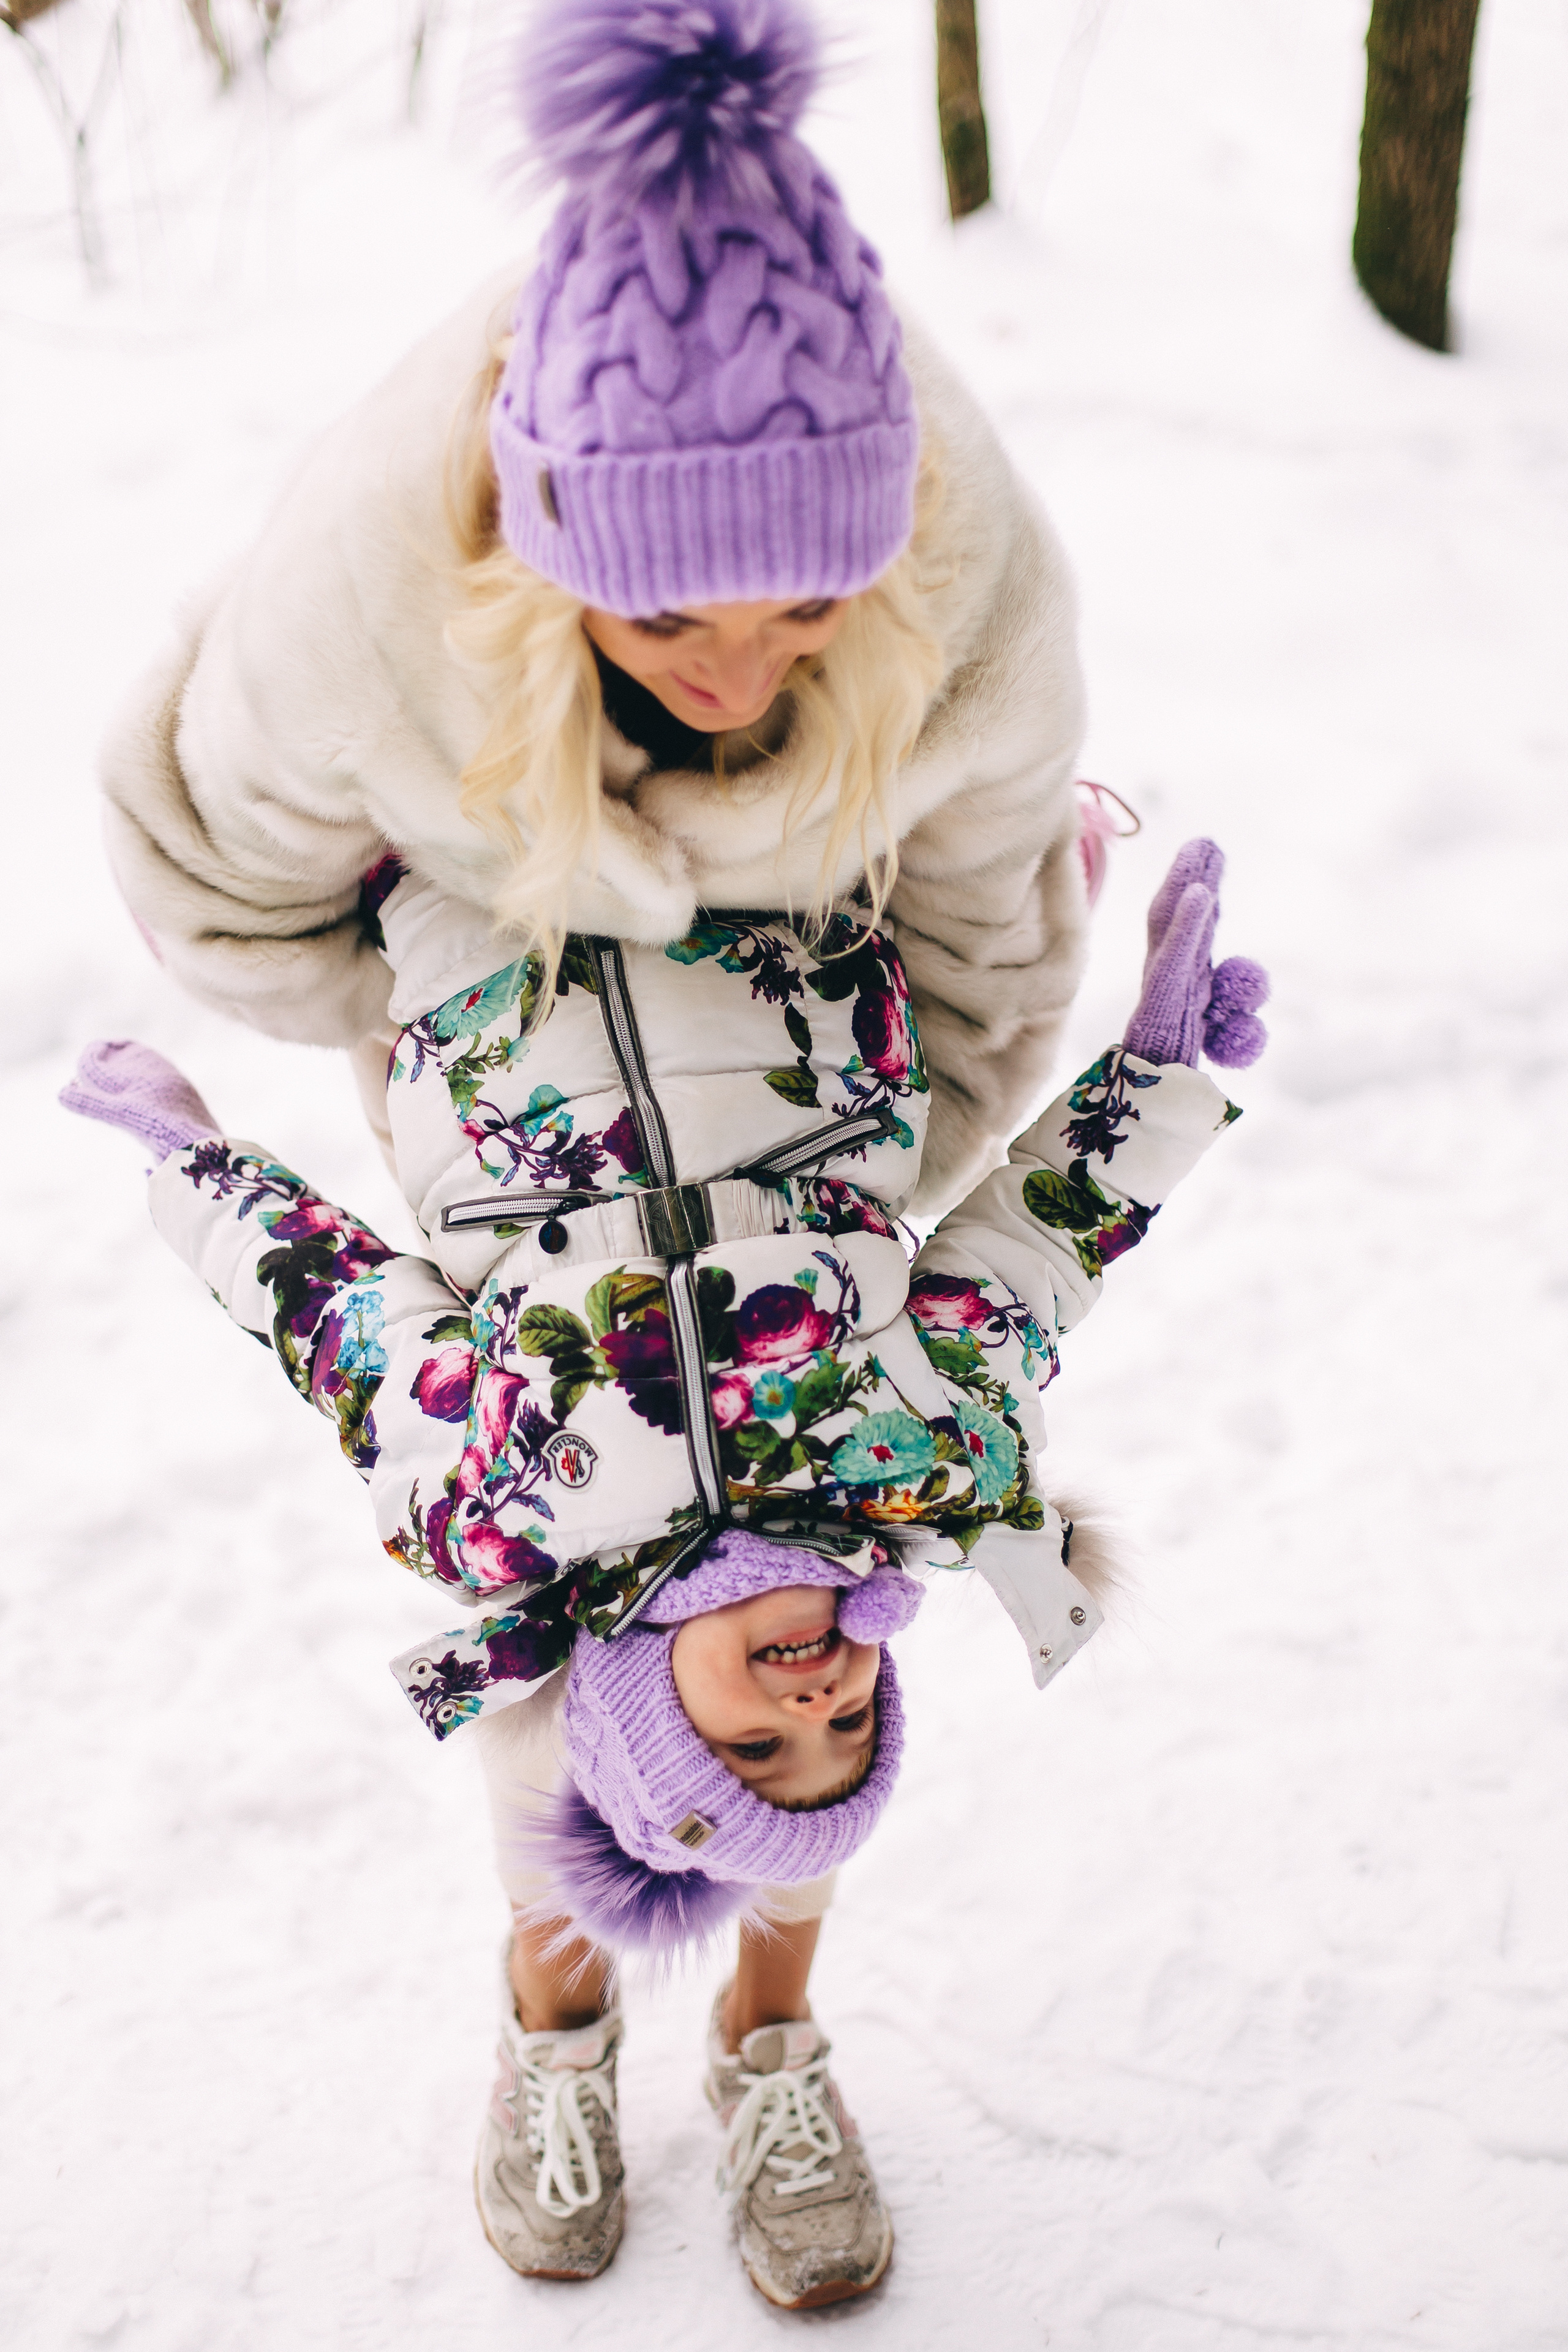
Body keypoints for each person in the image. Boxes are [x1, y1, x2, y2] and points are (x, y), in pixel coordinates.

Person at [61, 828, 1267, 2304]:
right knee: (764, 1838)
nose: (816, 1698)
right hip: (781, 923)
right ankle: (733, 2021)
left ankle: (591, 2038)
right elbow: (1040, 1249)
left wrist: (198, 1167)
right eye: (848, 1722)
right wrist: (1150, 1074)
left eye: (758, 1737)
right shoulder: (922, 1446)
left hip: (485, 955)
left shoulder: (499, 1516)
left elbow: (345, 1324)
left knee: (559, 1827)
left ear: (645, 1704)